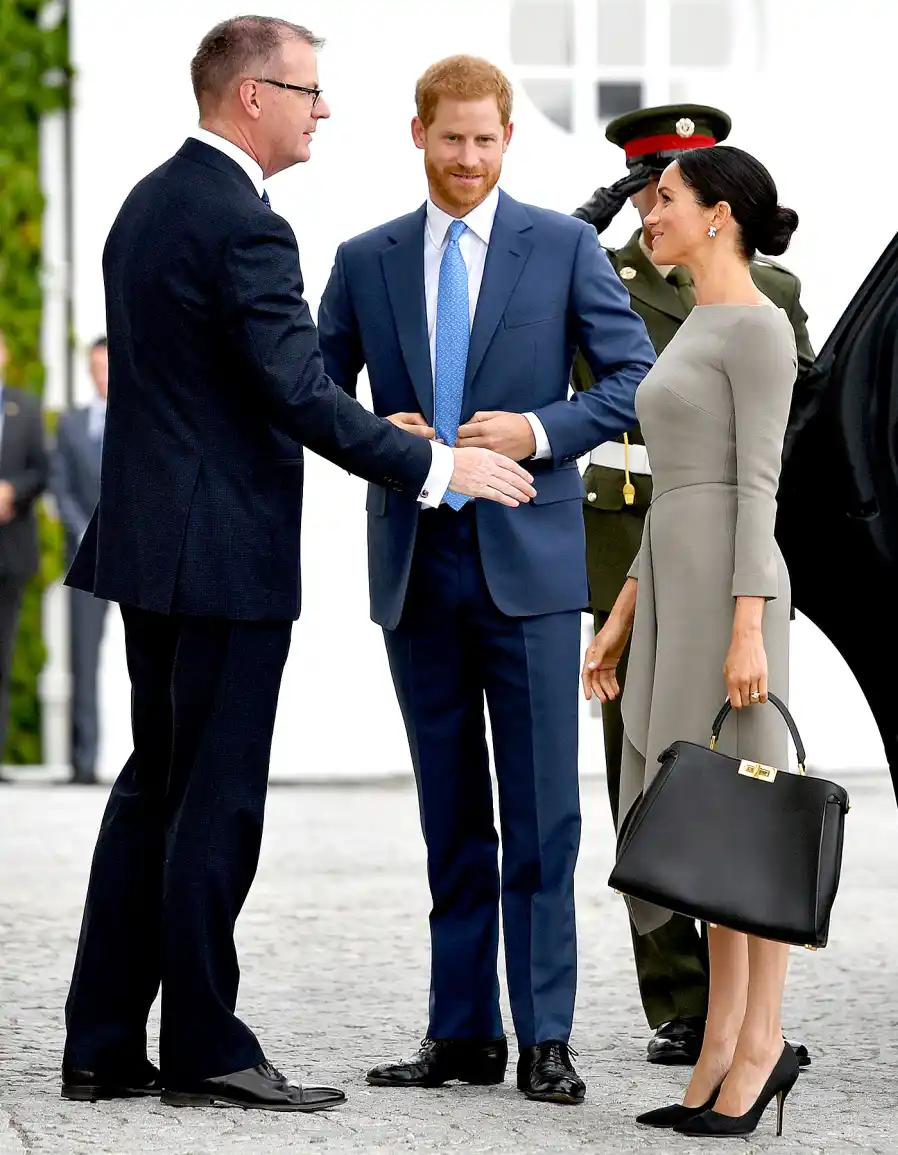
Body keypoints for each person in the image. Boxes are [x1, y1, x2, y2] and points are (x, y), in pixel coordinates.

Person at [59, 17, 534, 1114]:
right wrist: (431, 462)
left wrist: (369, 418)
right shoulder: (246, 225)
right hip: (220, 555)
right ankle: (208, 1050)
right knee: (213, 804)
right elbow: (292, 390)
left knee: (154, 792)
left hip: (152, 548)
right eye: (310, 90)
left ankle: (102, 1044)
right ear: (251, 98)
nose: (324, 109)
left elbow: (250, 370)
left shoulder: (151, 200)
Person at [317, 55, 655, 1106]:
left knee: (547, 812)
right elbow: (313, 391)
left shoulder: (559, 247)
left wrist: (547, 428)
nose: (468, 159)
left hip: (533, 564)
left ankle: (545, 1035)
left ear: (508, 142)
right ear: (416, 133)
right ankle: (462, 1035)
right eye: (451, 138)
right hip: (417, 562)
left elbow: (638, 377)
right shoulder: (364, 259)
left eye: (486, 141)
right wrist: (381, 434)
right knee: (452, 812)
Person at [571, 104, 813, 1068]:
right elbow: (670, 479)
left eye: (665, 193)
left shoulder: (756, 317)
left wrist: (749, 622)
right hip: (665, 574)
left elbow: (761, 475)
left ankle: (752, 1055)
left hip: (728, 586)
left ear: (716, 211)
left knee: (741, 816)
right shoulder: (685, 304)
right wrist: (625, 615)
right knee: (680, 811)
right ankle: (715, 1045)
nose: (646, 206)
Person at [50, 336, 109, 785]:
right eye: (96, 367)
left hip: (140, 556)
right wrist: (85, 530)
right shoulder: (70, 425)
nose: (102, 374)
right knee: (82, 660)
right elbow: (61, 487)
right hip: (87, 559)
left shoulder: (145, 420)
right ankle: (83, 761)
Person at [0, 327, 49, 780]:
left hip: (9, 552)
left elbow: (42, 470)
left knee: (3, 655)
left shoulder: (25, 408)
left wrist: (12, 490)